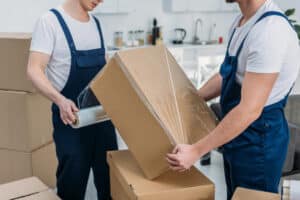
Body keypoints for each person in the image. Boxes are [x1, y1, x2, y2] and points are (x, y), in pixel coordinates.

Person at [166, 0, 300, 199]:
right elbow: (227, 75)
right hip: (238, 135)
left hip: (258, 142)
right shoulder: (242, 21)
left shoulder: (269, 31)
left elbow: (249, 110)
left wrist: (196, 150)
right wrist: (193, 98)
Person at [27, 0, 118, 199]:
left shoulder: (97, 23)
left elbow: (104, 67)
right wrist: (60, 100)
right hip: (71, 120)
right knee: (72, 185)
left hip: (103, 118)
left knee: (110, 184)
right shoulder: (50, 22)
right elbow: (34, 70)